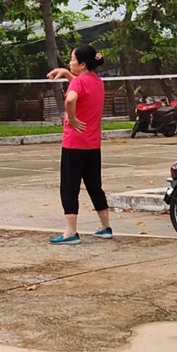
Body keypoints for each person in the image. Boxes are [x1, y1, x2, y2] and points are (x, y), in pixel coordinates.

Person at [46, 45, 112, 245]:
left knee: (69, 186)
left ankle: (70, 232)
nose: (70, 62)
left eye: (72, 60)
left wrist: (72, 118)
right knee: (94, 186)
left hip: (74, 144)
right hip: (93, 145)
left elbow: (71, 99)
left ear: (82, 64)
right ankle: (105, 227)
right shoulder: (97, 82)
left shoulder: (78, 85)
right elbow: (80, 86)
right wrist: (66, 73)